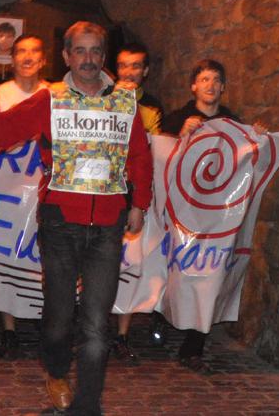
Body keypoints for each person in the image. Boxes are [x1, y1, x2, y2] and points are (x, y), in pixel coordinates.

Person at [0, 22, 153, 415]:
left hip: (107, 225)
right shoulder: (49, 99)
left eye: (95, 51)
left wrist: (139, 203)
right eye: (80, 51)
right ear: (67, 56)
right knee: (58, 321)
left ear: (104, 56)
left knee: (96, 325)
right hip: (59, 223)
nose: (88, 59)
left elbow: (140, 154)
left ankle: (87, 406)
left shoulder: (124, 102)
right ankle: (56, 370)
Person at [160, 58, 242, 373]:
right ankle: (162, 318)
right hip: (182, 213)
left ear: (223, 87)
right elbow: (161, 157)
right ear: (193, 86)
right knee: (176, 271)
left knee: (210, 275)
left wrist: (258, 140)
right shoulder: (177, 118)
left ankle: (194, 347)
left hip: (216, 216)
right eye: (204, 79)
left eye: (216, 79)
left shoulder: (233, 122)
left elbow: (244, 159)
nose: (210, 85)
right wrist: (180, 135)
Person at [0, 34, 50, 359]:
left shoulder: (53, 95)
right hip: (7, 190)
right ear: (12, 59)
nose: (27, 57)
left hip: (44, 189)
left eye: (34, 51)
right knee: (6, 252)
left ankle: (45, 318)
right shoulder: (1, 95)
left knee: (42, 255)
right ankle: (8, 327)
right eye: (21, 52)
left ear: (43, 60)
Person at [111, 42, 163, 365]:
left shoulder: (153, 109)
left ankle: (122, 335)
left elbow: (155, 151)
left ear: (145, 71)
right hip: (103, 194)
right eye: (123, 65)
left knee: (130, 265)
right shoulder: (102, 97)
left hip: (132, 197)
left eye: (135, 66)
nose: (128, 72)